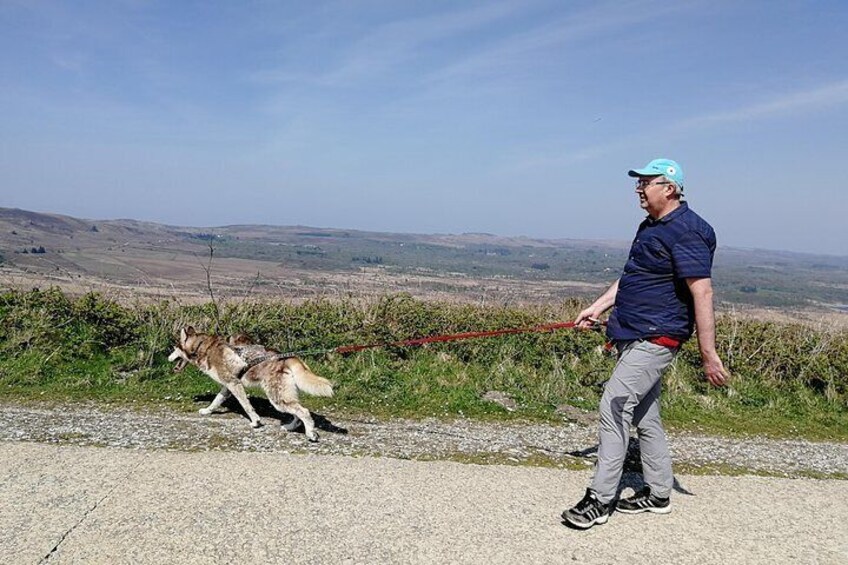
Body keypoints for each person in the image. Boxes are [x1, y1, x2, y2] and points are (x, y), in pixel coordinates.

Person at [561, 158, 729, 530]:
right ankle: (658, 493)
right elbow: (632, 279)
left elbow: (702, 291)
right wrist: (595, 307)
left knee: (615, 405)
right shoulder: (651, 226)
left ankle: (600, 499)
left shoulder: (687, 231)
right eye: (638, 183)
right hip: (632, 332)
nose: (638, 189)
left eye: (645, 183)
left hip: (658, 337)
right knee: (643, 414)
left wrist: (708, 354)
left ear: (669, 188)